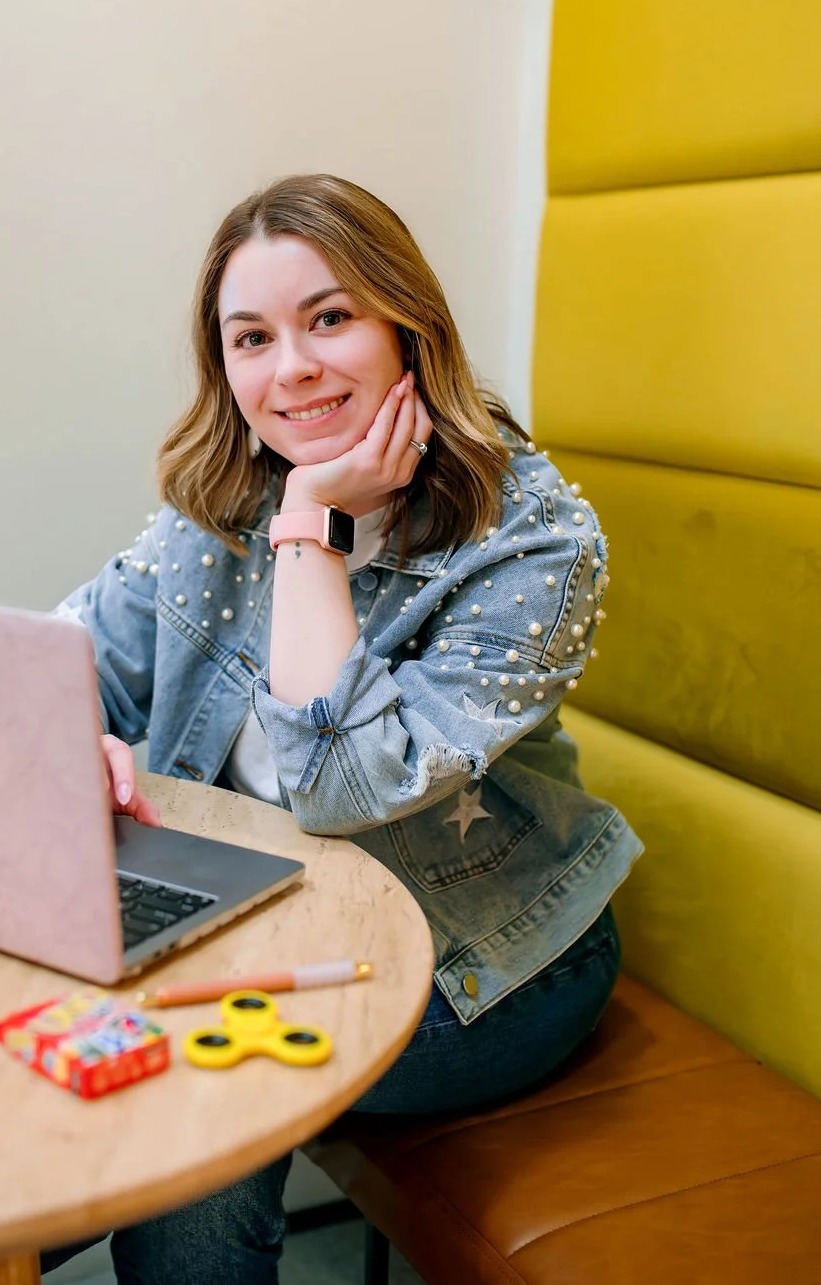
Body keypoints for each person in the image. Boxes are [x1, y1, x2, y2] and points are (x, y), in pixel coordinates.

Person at [43, 174, 642, 1285]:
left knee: (206, 1087)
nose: (293, 368)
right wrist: (61, 733)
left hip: (481, 957)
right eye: (252, 338)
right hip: (248, 921)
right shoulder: (221, 500)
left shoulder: (535, 540)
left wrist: (310, 530)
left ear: (407, 323)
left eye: (330, 318)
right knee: (14, 1053)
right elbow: (65, 656)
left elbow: (337, 782)